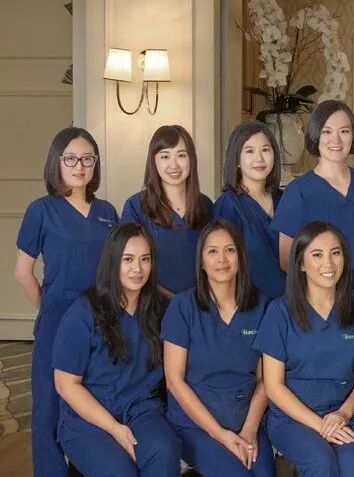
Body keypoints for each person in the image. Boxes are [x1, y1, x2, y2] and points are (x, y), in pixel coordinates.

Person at [13, 127, 119, 475]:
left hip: (102, 321)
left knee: (94, 402)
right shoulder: (41, 210)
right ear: (56, 163)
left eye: (87, 158)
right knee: (48, 409)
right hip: (57, 320)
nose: (79, 166)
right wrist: (49, 308)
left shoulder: (107, 211)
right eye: (70, 158)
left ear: (95, 163)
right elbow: (23, 273)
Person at [52, 222, 180, 476]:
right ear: (112, 262)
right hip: (88, 419)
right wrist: (113, 428)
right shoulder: (82, 314)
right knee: (120, 471)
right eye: (128, 259)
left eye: (145, 259)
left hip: (141, 409)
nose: (137, 269)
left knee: (164, 450)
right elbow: (66, 385)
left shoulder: (159, 310)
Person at [253, 222, 354, 476]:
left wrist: (343, 413)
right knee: (320, 463)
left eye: (335, 253)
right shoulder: (280, 312)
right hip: (293, 419)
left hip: (347, 413)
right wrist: (321, 425)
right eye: (317, 255)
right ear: (301, 264)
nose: (328, 263)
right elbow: (273, 386)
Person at [161, 220, 276, 476]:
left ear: (241, 257)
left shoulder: (262, 306)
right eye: (212, 251)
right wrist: (220, 434)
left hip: (247, 420)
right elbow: (174, 381)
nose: (222, 259)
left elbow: (266, 379)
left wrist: (249, 430)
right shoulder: (183, 307)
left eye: (230, 250)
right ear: (201, 261)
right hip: (196, 425)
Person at [272, 100, 354, 303]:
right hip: (320, 305)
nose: (336, 139)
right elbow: (286, 259)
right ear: (315, 135)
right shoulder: (298, 191)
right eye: (327, 131)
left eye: (344, 131)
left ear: (353, 136)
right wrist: (323, 298)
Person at [122, 125, 213, 298]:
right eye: (165, 156)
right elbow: (129, 264)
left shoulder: (206, 206)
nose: (174, 165)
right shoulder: (136, 206)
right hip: (153, 304)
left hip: (200, 303)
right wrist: (174, 300)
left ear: (191, 159)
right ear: (153, 161)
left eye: (181, 155)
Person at [213, 120, 285, 299]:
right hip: (248, 305)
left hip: (290, 305)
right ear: (237, 159)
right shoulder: (227, 206)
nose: (259, 158)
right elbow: (223, 267)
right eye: (249, 151)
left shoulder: (285, 199)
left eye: (265, 150)